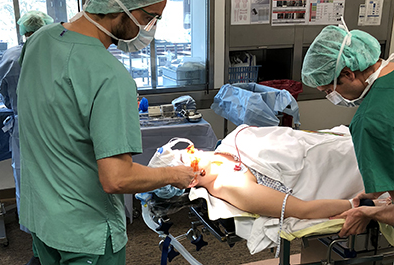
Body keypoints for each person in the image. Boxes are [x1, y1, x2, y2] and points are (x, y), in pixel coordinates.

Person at [16, 0, 195, 264]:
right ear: (120, 6)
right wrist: (175, 175)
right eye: (149, 18)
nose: (151, 28)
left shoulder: (39, 39)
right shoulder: (109, 75)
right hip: (87, 233)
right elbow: (117, 178)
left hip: (42, 218)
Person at [154, 125, 371, 220]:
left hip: (332, 139)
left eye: (185, 147)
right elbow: (303, 210)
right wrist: (364, 206)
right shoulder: (230, 186)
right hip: (343, 163)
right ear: (189, 181)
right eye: (185, 157)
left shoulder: (226, 146)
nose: (192, 148)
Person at [301, 21, 394, 237]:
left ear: (348, 74)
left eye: (328, 90)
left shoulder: (369, 120)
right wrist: (374, 192)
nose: (331, 97)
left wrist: (368, 213)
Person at [0, 10, 54, 265]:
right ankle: (54, 235)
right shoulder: (56, 53)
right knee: (55, 179)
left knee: (26, 181)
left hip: (23, 129)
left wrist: (16, 105)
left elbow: (3, 92)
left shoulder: (11, 56)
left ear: (23, 31)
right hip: (56, 127)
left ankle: (36, 237)